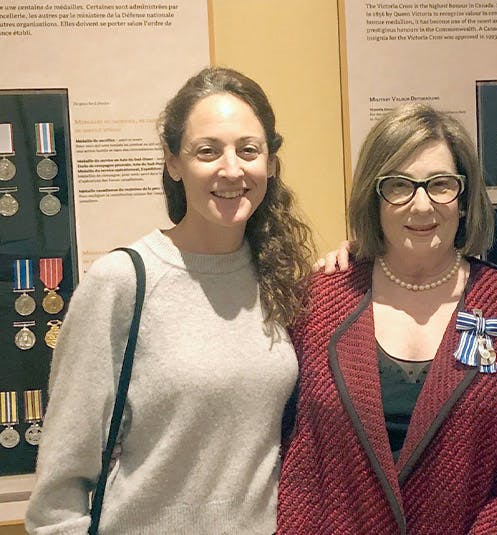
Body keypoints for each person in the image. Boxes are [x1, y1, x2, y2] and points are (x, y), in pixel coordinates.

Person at [26, 67, 313, 534]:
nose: (231, 169)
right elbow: (59, 490)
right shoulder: (122, 282)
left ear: (271, 163)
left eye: (248, 150)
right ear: (173, 162)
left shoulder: (280, 279)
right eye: (207, 151)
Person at [277, 103, 497, 534]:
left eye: (440, 184)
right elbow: (286, 450)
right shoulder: (320, 299)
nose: (421, 205)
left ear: (464, 197)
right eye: (399, 185)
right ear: (373, 197)